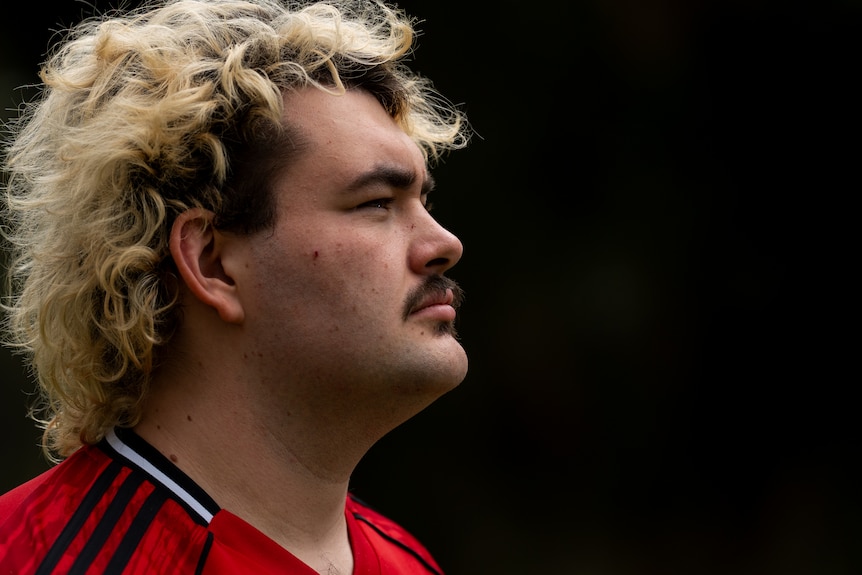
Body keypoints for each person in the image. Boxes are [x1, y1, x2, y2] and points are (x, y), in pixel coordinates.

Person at [0, 0, 470, 572]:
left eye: (423, 201)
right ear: (212, 264)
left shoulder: (410, 563)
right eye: (376, 203)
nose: (444, 243)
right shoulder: (36, 558)